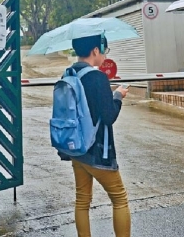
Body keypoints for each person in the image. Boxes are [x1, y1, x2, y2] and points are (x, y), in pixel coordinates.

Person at [61, 34, 130, 237]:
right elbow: (109, 116)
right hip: (98, 149)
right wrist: (118, 95)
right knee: (119, 198)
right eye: (105, 51)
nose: (104, 56)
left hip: (76, 147)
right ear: (95, 51)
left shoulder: (69, 73)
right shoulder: (98, 77)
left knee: (82, 199)